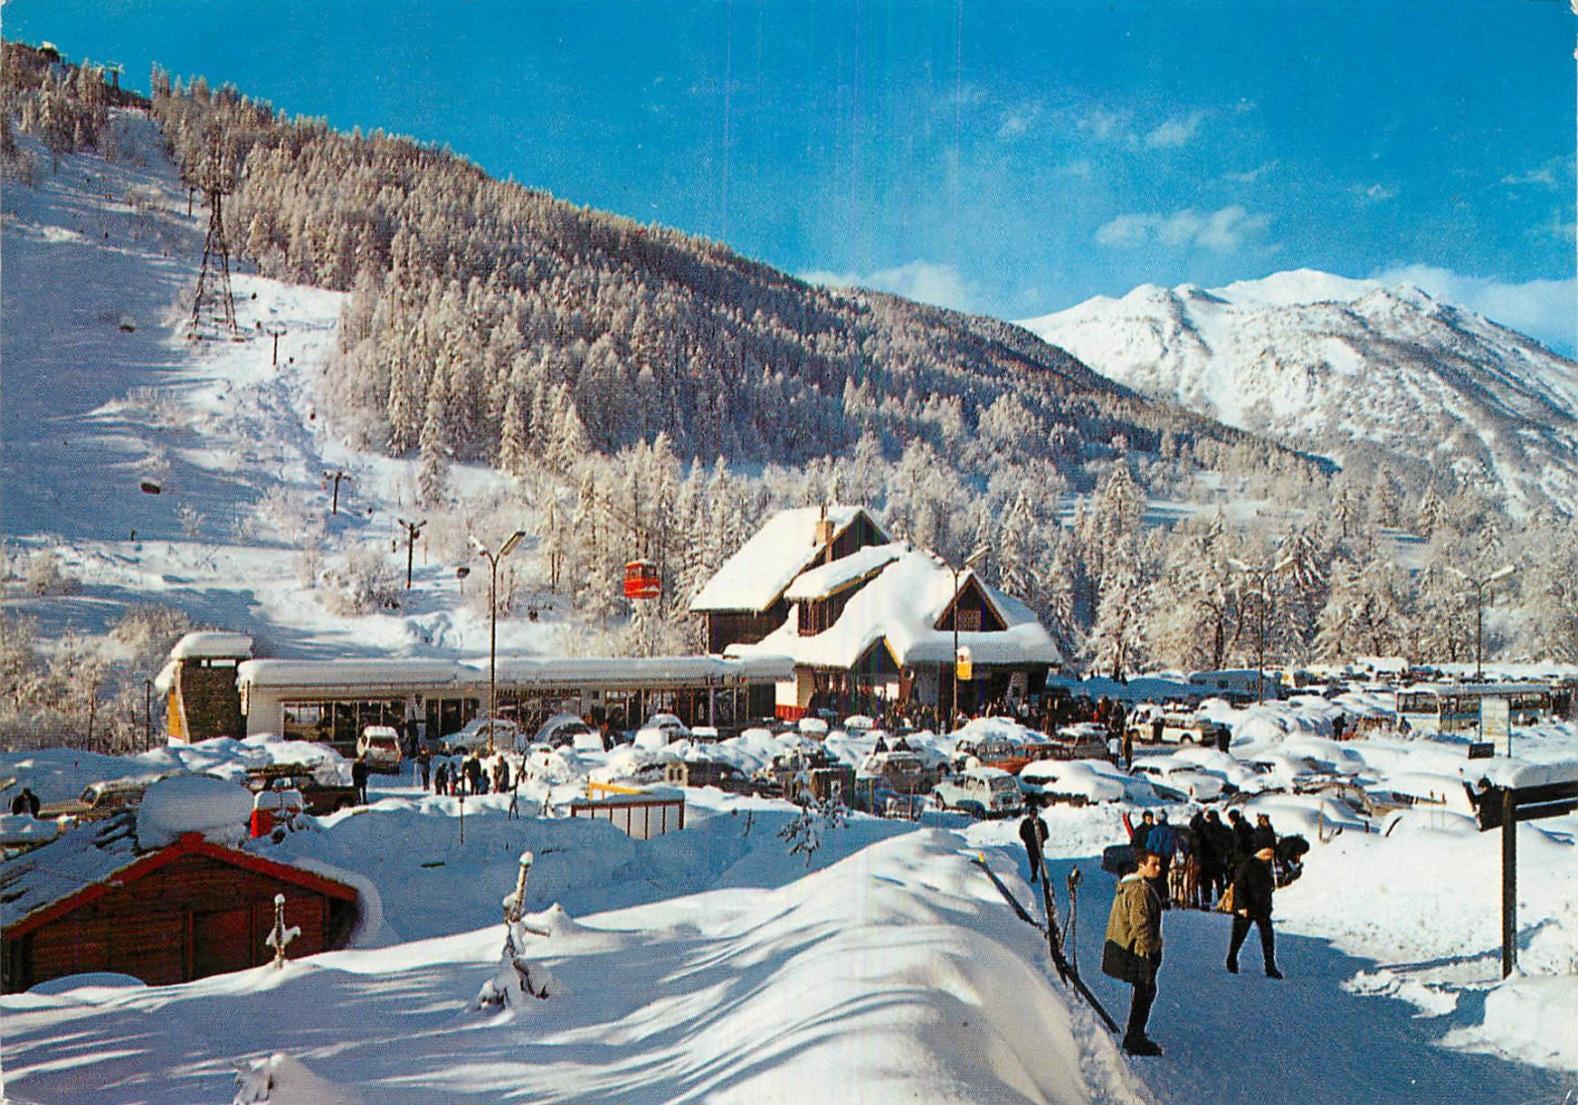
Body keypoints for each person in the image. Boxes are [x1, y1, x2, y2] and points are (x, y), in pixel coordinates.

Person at [1103, 848, 1166, 1056]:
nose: (1159, 868)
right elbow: (1141, 924)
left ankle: (1135, 1034)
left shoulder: (1128, 886)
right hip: (1139, 954)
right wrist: (1152, 947)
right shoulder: (1139, 890)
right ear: (1141, 864)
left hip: (1135, 952)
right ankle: (1135, 1038)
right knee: (1144, 993)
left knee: (1144, 992)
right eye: (1153, 864)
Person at [1226, 845, 1283, 979]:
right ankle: (1232, 959)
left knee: (1268, 937)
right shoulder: (1247, 865)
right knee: (1239, 936)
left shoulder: (1268, 866)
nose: (1270, 855)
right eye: (1267, 852)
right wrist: (1241, 906)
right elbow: (1239, 885)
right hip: (1247, 907)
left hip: (1263, 908)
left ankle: (1270, 966)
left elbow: (1269, 886)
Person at [1019, 804, 1049, 884]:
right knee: (1033, 861)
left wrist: (1041, 840)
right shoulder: (1025, 823)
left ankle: (1044, 876)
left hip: (1039, 845)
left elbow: (1046, 834)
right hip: (1030, 846)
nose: (1033, 815)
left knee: (1041, 861)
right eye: (1032, 814)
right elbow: (1021, 833)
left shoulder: (1041, 822)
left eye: (1035, 814)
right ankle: (1034, 874)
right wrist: (1027, 840)